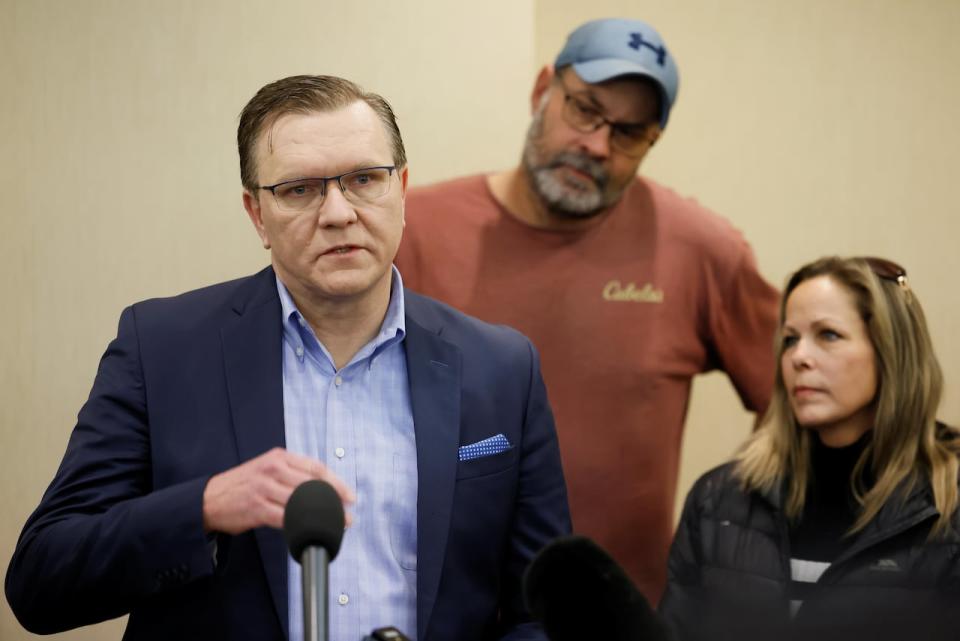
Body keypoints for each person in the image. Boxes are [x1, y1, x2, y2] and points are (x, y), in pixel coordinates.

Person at [5, 75, 571, 641]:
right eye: (299, 189)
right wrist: (202, 508)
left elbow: (545, 613)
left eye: (364, 180)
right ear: (257, 215)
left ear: (402, 190)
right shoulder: (160, 348)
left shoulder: (501, 367)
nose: (338, 213)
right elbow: (41, 582)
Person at [395, 17, 779, 602]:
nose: (597, 144)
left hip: (623, 612)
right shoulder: (413, 231)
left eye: (628, 132)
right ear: (542, 90)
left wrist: (738, 538)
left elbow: (795, 398)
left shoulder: (699, 249)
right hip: (441, 607)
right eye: (584, 110)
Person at [659, 256, 960, 641]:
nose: (799, 357)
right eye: (789, 339)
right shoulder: (719, 501)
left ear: (891, 352)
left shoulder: (946, 503)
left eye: (828, 335)